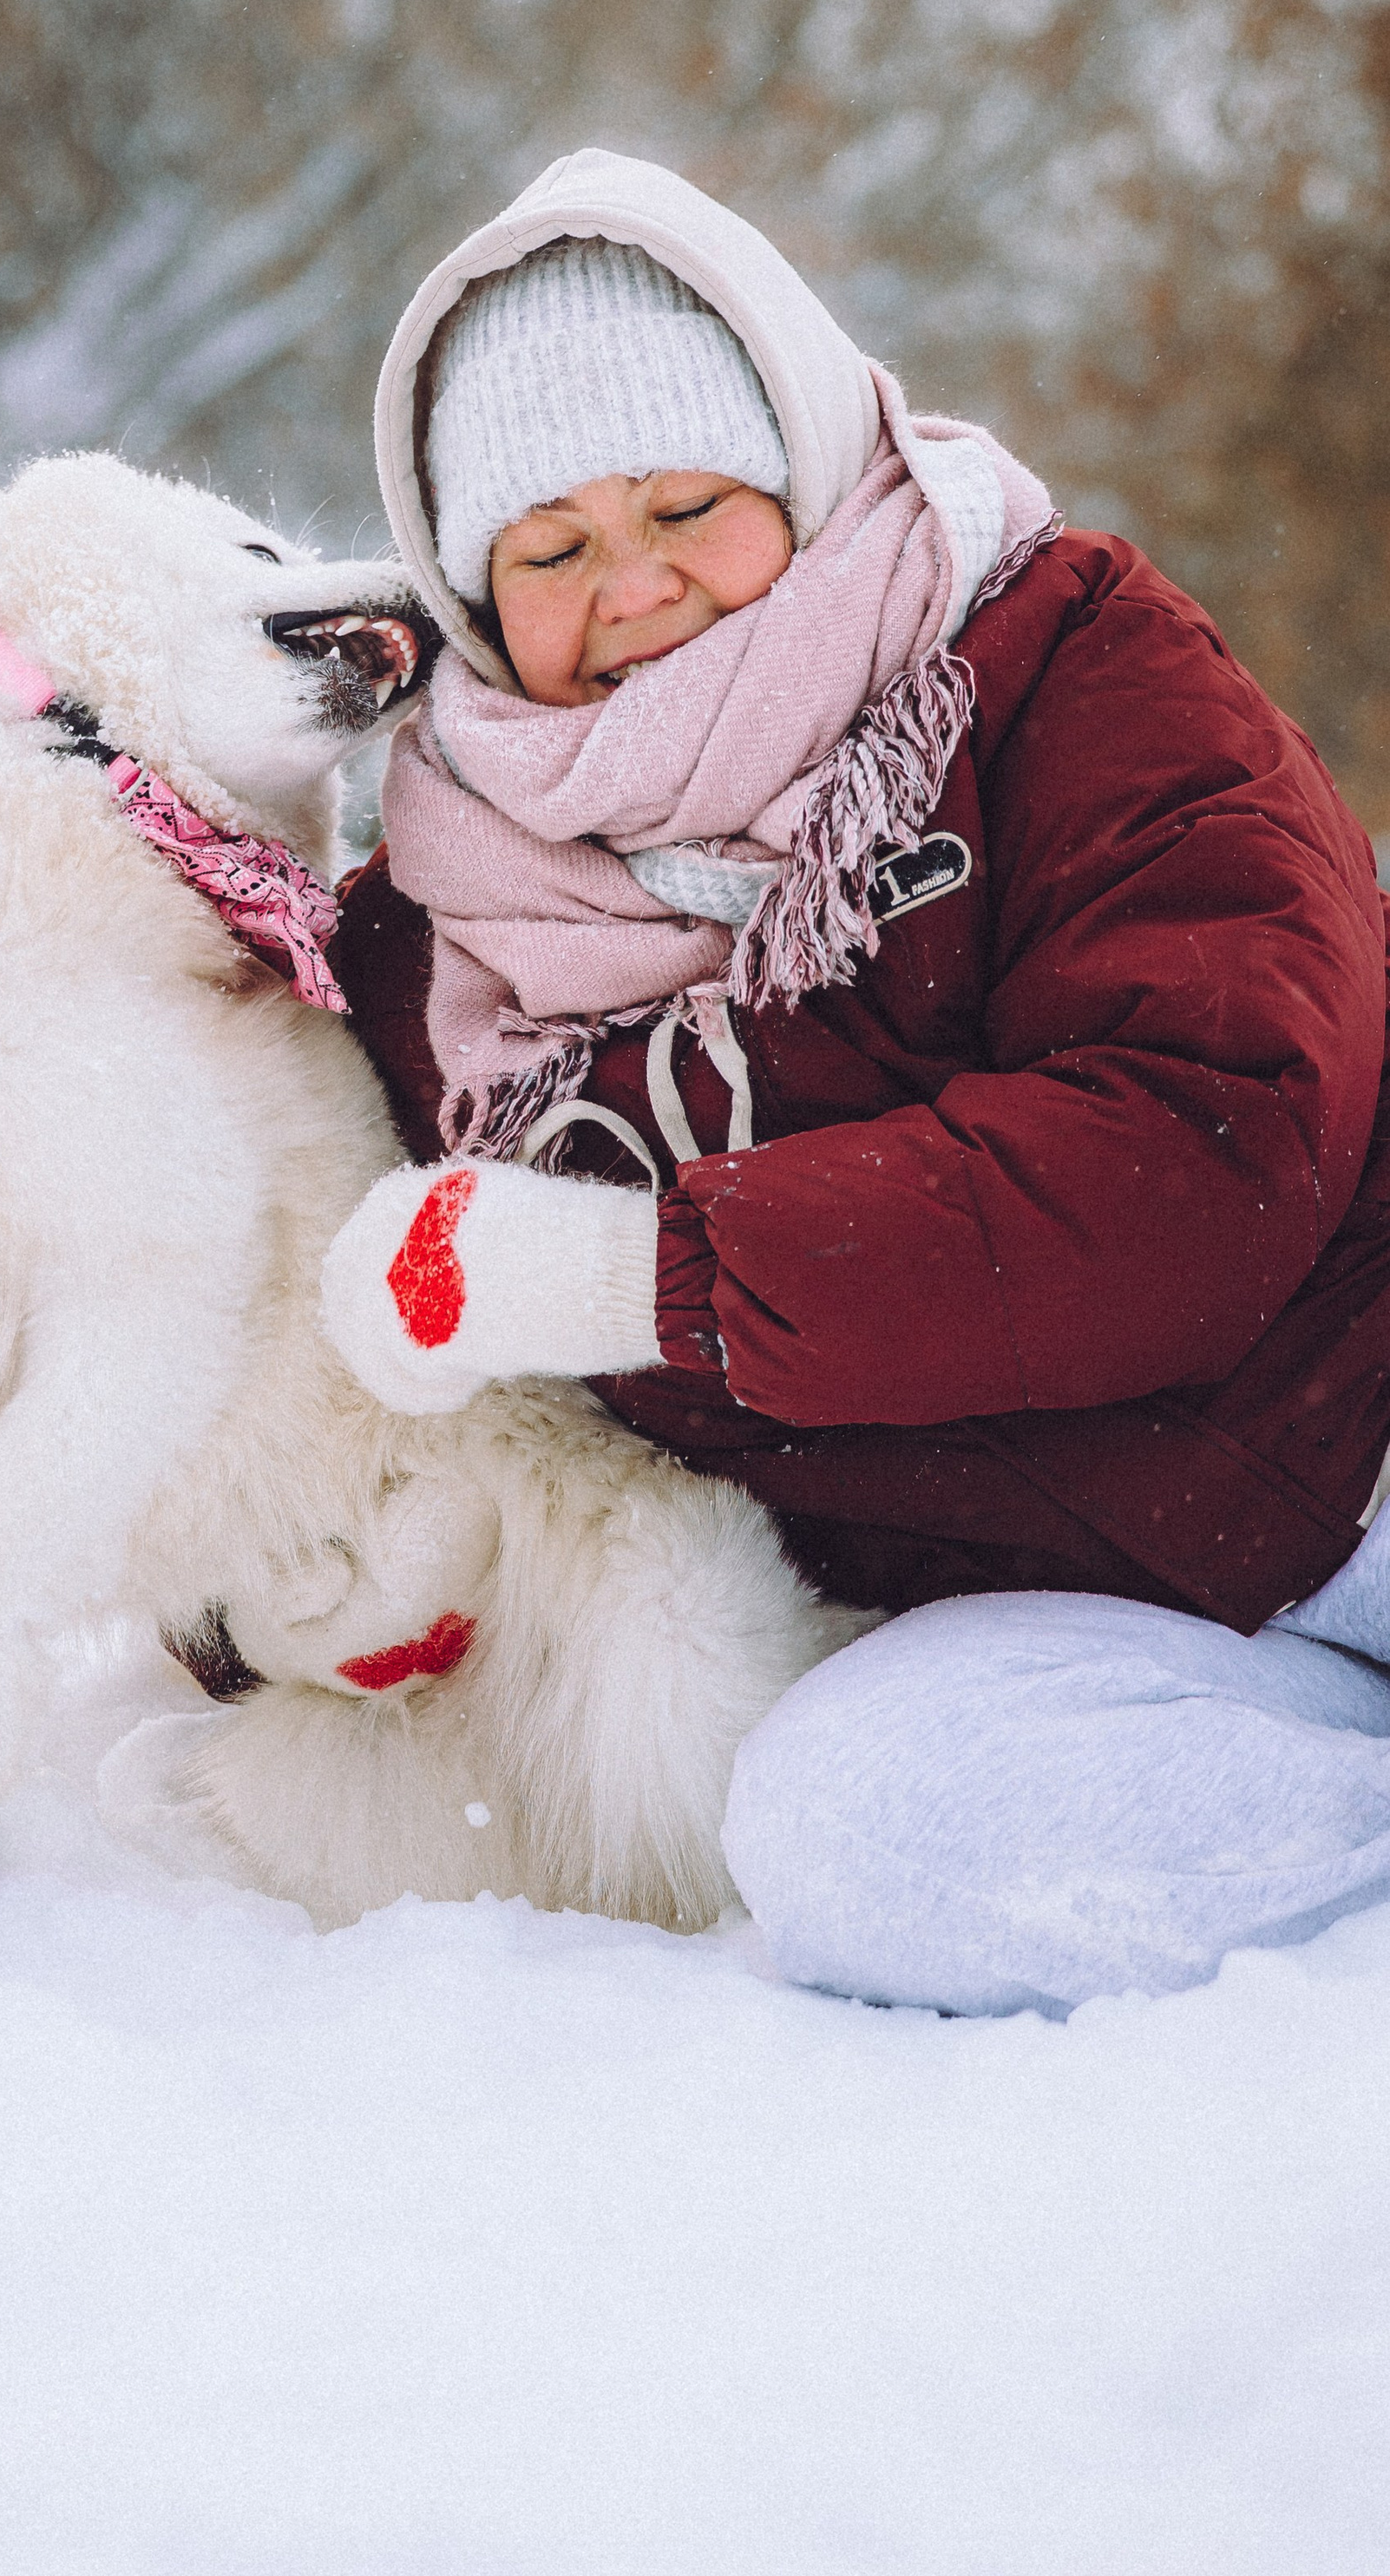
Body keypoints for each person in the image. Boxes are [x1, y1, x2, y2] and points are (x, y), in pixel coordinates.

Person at [318, 147, 1390, 2018]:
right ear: (468, 596)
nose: (633, 585)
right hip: (1117, 1623)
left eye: (683, 504)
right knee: (846, 1834)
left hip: (1358, 1419)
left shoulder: (1052, 655)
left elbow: (1203, 1148)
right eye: (549, 550)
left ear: (800, 469)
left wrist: (636, 1275)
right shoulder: (431, 948)